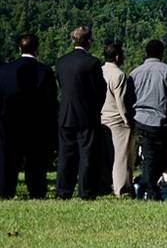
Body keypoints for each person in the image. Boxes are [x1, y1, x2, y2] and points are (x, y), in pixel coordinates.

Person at [0, 34, 58, 199]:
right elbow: (51, 102)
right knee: (36, 162)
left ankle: (5, 190)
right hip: (36, 124)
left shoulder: (4, 70)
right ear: (37, 48)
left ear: (20, 48)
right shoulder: (45, 71)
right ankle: (37, 191)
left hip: (9, 123)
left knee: (8, 160)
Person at [130, 39, 167, 201]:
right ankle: (151, 189)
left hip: (140, 120)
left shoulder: (135, 73)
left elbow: (130, 98)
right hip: (161, 122)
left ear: (146, 53)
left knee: (149, 156)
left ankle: (145, 182)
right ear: (162, 53)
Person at [55, 26, 107, 200]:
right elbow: (100, 90)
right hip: (87, 115)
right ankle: (86, 192)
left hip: (66, 114)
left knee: (65, 155)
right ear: (88, 41)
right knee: (87, 155)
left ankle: (63, 190)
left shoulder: (61, 62)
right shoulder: (92, 63)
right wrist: (95, 108)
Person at [100, 42, 134, 198]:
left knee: (104, 157)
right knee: (121, 157)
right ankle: (121, 189)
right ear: (118, 56)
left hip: (102, 117)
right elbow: (120, 101)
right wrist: (127, 120)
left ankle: (103, 185)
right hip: (116, 120)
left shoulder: (99, 71)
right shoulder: (119, 75)